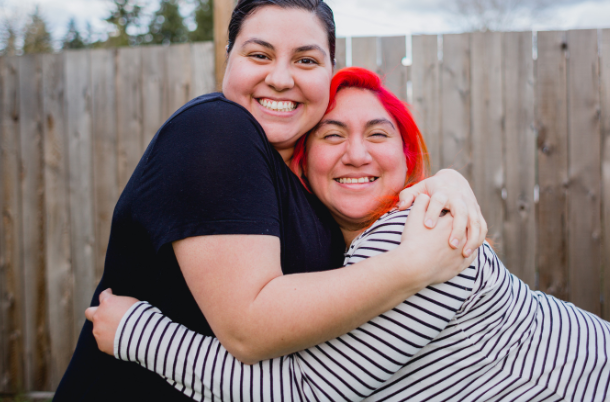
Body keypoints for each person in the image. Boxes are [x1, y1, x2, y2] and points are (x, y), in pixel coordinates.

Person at [54, 0, 485, 401]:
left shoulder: (300, 179)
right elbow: (250, 328)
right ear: (228, 61)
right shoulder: (217, 129)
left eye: (306, 61)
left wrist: (446, 181)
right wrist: (412, 266)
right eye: (259, 54)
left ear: (328, 73)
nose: (280, 78)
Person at [89, 67, 610, 401]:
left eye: (378, 134)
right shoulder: (346, 260)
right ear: (303, 164)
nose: (356, 154)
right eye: (332, 135)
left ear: (405, 160)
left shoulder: (419, 232)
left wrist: (139, 332)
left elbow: (299, 394)